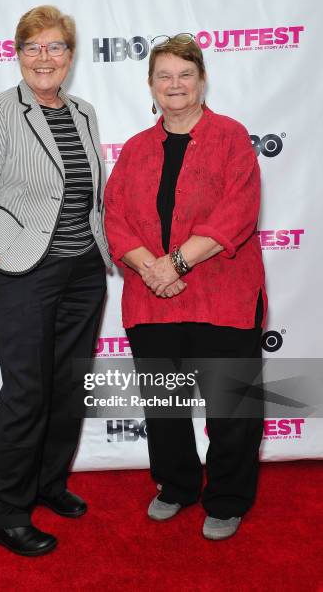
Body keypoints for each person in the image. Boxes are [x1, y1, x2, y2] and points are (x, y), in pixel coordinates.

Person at [0, 5, 110, 556]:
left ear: (70, 56)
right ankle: (6, 512)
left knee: (68, 385)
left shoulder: (84, 112)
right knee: (28, 391)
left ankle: (48, 485)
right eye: (33, 47)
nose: (45, 58)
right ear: (17, 53)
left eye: (55, 47)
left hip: (85, 270)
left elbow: (90, 191)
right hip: (25, 271)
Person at [104, 34, 267, 540]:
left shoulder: (231, 137)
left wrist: (173, 264)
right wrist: (151, 269)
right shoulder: (134, 149)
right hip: (151, 302)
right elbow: (115, 217)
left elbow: (237, 212)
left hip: (224, 297)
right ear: (150, 85)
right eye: (164, 76)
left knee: (231, 408)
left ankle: (227, 498)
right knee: (165, 407)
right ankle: (175, 486)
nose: (175, 85)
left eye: (185, 74)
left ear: (201, 80)